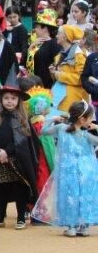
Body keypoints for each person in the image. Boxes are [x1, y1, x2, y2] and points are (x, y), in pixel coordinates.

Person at [32, 99, 98, 236]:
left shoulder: (61, 128)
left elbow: (43, 131)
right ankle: (84, 226)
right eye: (90, 118)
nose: (92, 120)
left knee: (69, 195)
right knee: (84, 195)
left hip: (67, 170)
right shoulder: (86, 135)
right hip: (87, 170)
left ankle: (71, 227)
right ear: (82, 119)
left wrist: (51, 118)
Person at [0, 81, 40, 231]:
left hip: (17, 160)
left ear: (19, 101)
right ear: (1, 100)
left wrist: (7, 152)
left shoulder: (22, 119)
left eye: (13, 98)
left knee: (19, 189)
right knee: (0, 189)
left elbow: (21, 139)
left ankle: (21, 218)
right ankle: (0, 218)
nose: (10, 101)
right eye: (7, 98)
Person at [51, 24, 87, 112]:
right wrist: (53, 72)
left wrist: (59, 75)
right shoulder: (60, 55)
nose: (56, 36)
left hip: (73, 102)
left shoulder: (79, 55)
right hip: (60, 99)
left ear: (65, 37)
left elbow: (81, 79)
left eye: (59, 33)